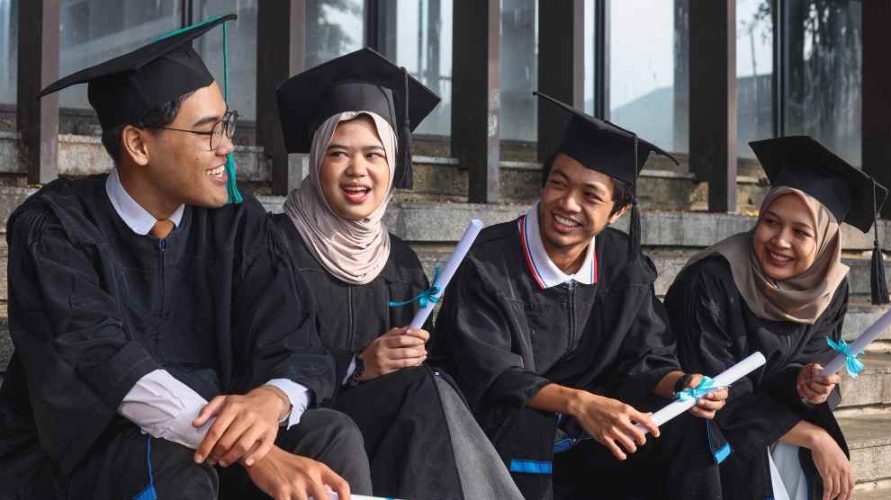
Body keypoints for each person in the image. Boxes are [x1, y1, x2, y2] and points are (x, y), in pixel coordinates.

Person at [0, 15, 370, 500]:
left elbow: (297, 342)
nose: (229, 146)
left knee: (327, 436)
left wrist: (270, 401)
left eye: (227, 124)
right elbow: (108, 368)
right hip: (85, 461)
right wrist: (254, 452)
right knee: (169, 464)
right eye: (207, 131)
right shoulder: (55, 229)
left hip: (211, 447)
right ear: (138, 144)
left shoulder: (238, 224)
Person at [431, 92, 729, 500]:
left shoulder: (624, 264)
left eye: (590, 196)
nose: (567, 204)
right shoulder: (487, 261)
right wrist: (579, 405)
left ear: (618, 211)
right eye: (558, 183)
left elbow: (644, 359)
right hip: (509, 431)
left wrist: (684, 384)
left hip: (595, 429)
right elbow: (489, 373)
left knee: (687, 425)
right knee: (527, 424)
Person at [270, 48, 524, 500]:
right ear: (315, 158)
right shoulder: (272, 244)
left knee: (437, 387)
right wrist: (357, 366)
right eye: (338, 153)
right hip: (296, 429)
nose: (358, 171)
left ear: (392, 163)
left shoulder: (399, 260)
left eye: (374, 154)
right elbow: (257, 355)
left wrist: (412, 355)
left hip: (386, 432)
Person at [665, 136, 888, 500]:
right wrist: (813, 435)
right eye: (771, 222)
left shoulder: (829, 288)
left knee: (804, 457)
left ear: (826, 243)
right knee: (804, 446)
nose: (779, 241)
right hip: (701, 431)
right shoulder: (709, 280)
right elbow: (712, 390)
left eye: (800, 232)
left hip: (763, 421)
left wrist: (807, 381)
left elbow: (806, 359)